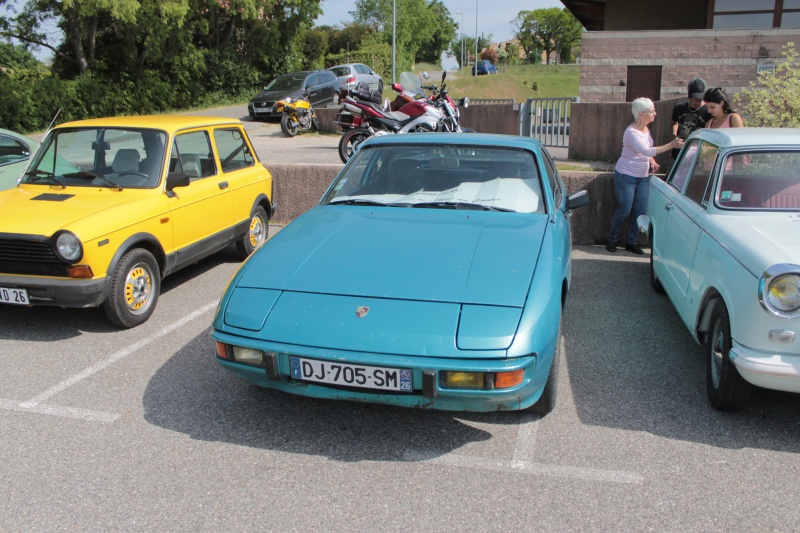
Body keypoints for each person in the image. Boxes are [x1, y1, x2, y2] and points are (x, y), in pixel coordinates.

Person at [607, 98, 684, 254]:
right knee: (624, 209)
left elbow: (647, 151)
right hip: (626, 176)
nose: (655, 114)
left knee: (639, 211)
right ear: (641, 114)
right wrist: (671, 145)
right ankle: (612, 240)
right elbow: (646, 150)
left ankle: (632, 242)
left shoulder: (646, 130)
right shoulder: (631, 132)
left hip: (642, 176)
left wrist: (652, 161)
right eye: (651, 111)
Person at [671, 78, 712, 158]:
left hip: (699, 151)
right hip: (680, 150)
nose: (694, 102)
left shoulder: (708, 110)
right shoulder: (678, 108)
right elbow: (674, 122)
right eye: (692, 99)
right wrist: (674, 134)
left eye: (698, 100)